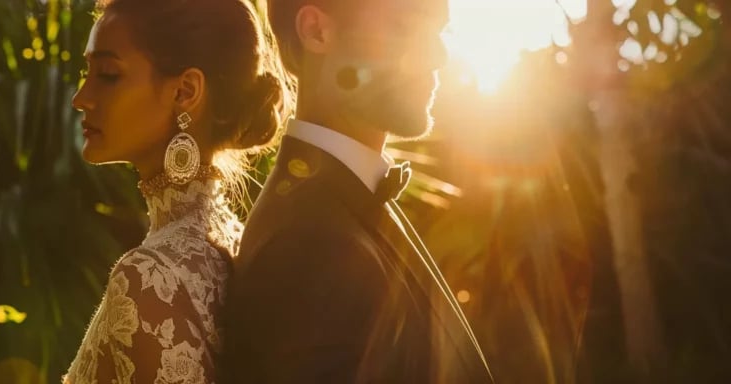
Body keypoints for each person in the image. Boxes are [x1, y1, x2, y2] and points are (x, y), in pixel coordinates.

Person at [223, 0, 494, 382]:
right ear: (317, 31)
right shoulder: (308, 244)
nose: (438, 56)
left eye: (440, 32)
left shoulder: (351, 196)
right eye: (407, 26)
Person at [62, 0, 292, 382]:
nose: (81, 98)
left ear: (185, 91)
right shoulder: (236, 240)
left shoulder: (147, 278)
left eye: (106, 74)